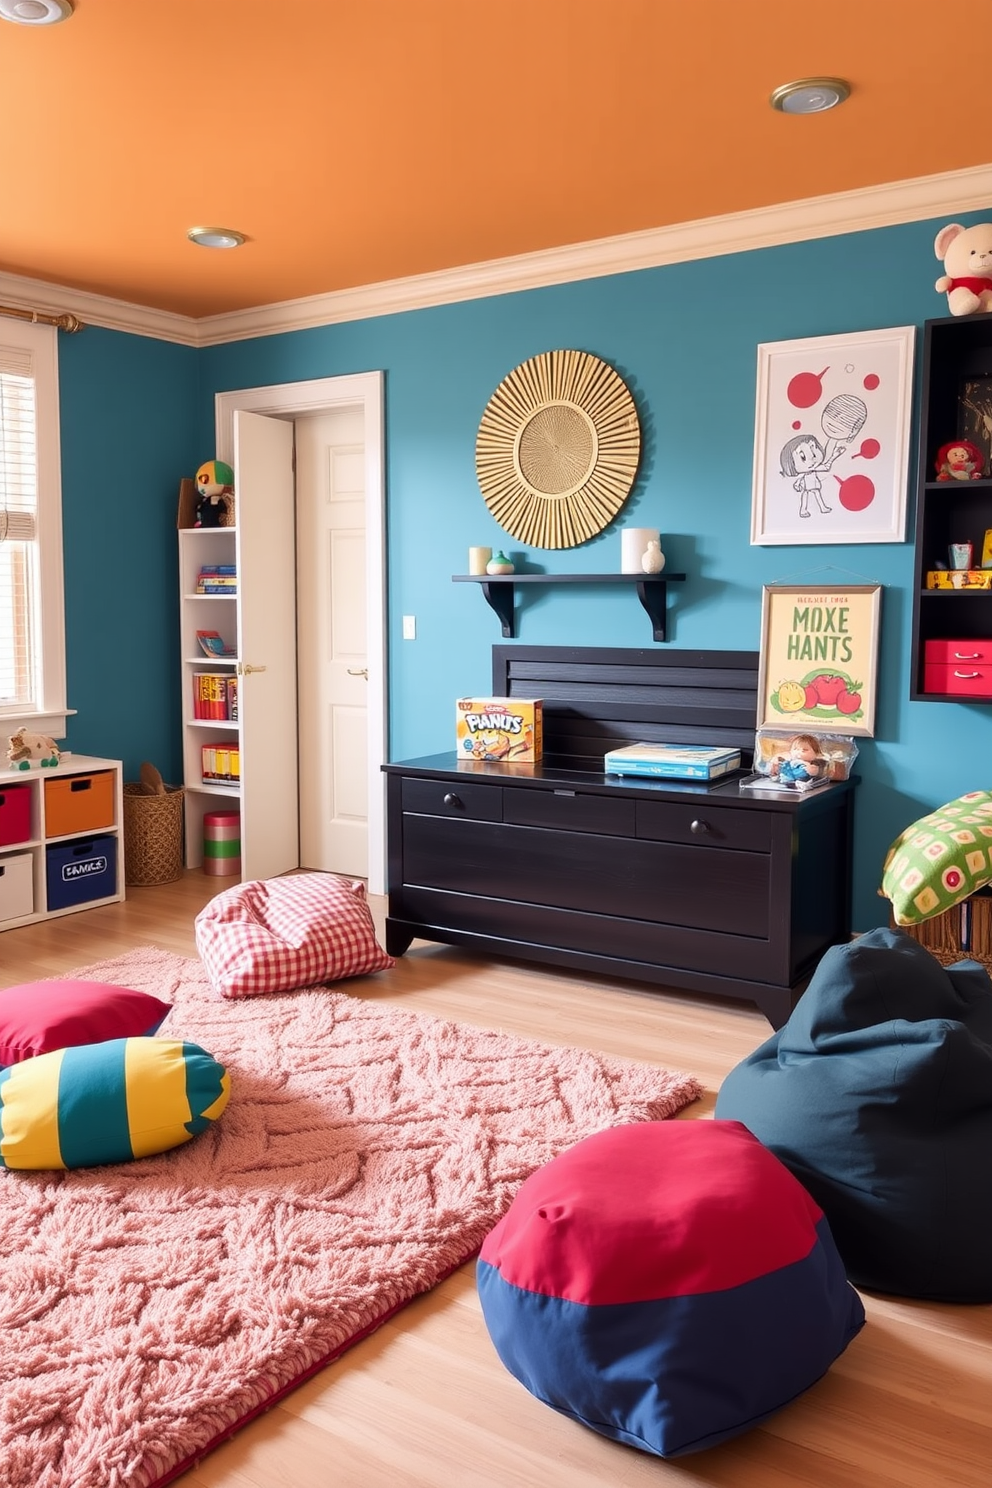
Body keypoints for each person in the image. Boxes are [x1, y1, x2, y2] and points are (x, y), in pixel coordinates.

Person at [779, 434, 847, 518]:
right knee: (806, 495)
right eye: (802, 457)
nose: (812, 460)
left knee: (815, 493)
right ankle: (804, 510)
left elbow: (826, 467)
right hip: (807, 483)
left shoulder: (815, 468)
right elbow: (800, 478)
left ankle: (822, 508)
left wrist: (835, 455)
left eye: (814, 453)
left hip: (813, 482)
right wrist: (797, 484)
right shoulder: (804, 473)